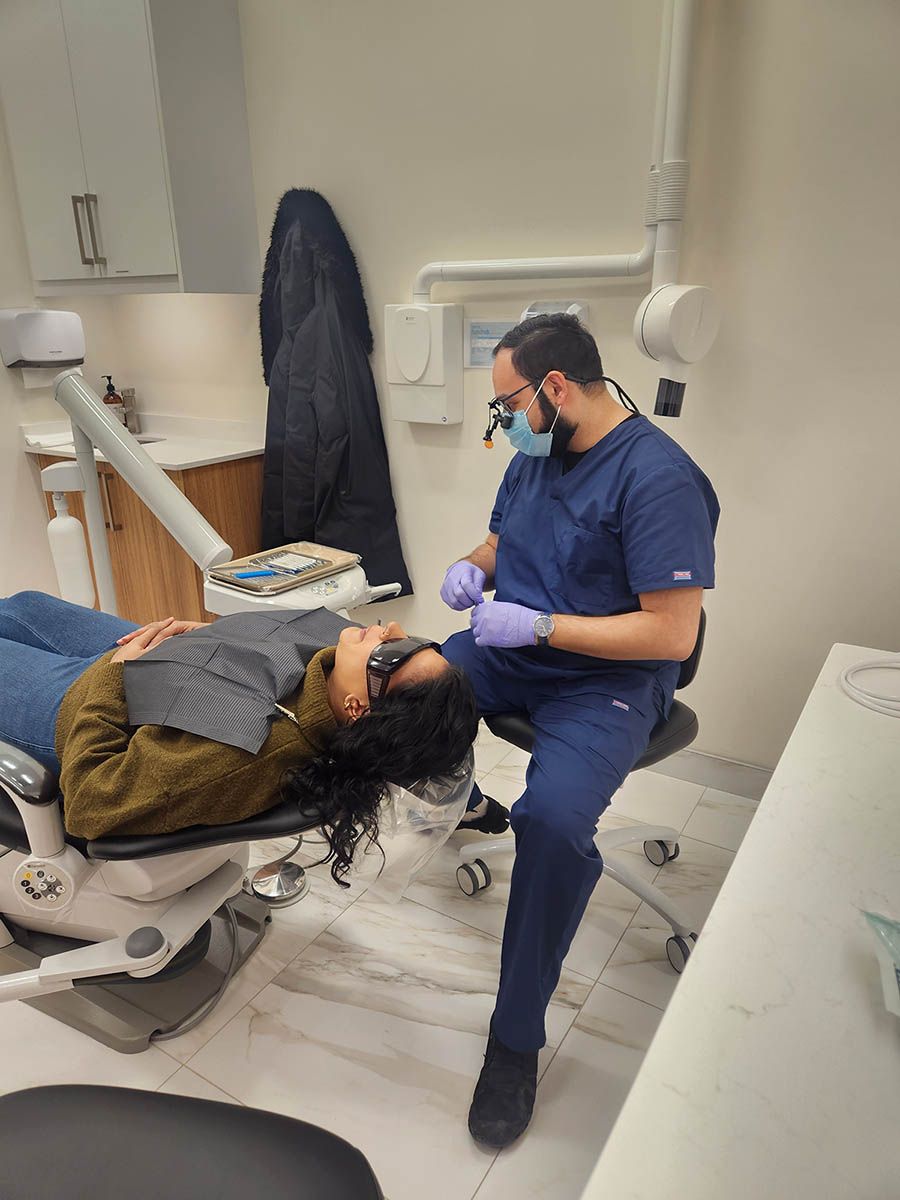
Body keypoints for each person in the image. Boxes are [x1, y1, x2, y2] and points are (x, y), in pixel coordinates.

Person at [441, 314, 720, 1148]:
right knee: (407, 687)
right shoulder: (543, 455)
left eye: (508, 405)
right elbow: (502, 538)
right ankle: (460, 801)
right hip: (517, 652)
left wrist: (539, 629)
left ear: (555, 387)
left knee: (554, 821)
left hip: (608, 682)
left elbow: (671, 636)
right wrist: (474, 567)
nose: (505, 424)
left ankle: (514, 1041)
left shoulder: (659, 479)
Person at [0, 591, 478, 883]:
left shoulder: (241, 754)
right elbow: (278, 658)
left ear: (357, 709)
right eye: (413, 640)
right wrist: (215, 642)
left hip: (80, 708)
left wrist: (110, 678)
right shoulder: (335, 674)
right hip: (153, 669)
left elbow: (91, 805)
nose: (390, 628)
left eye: (391, 652)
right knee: (21, 606)